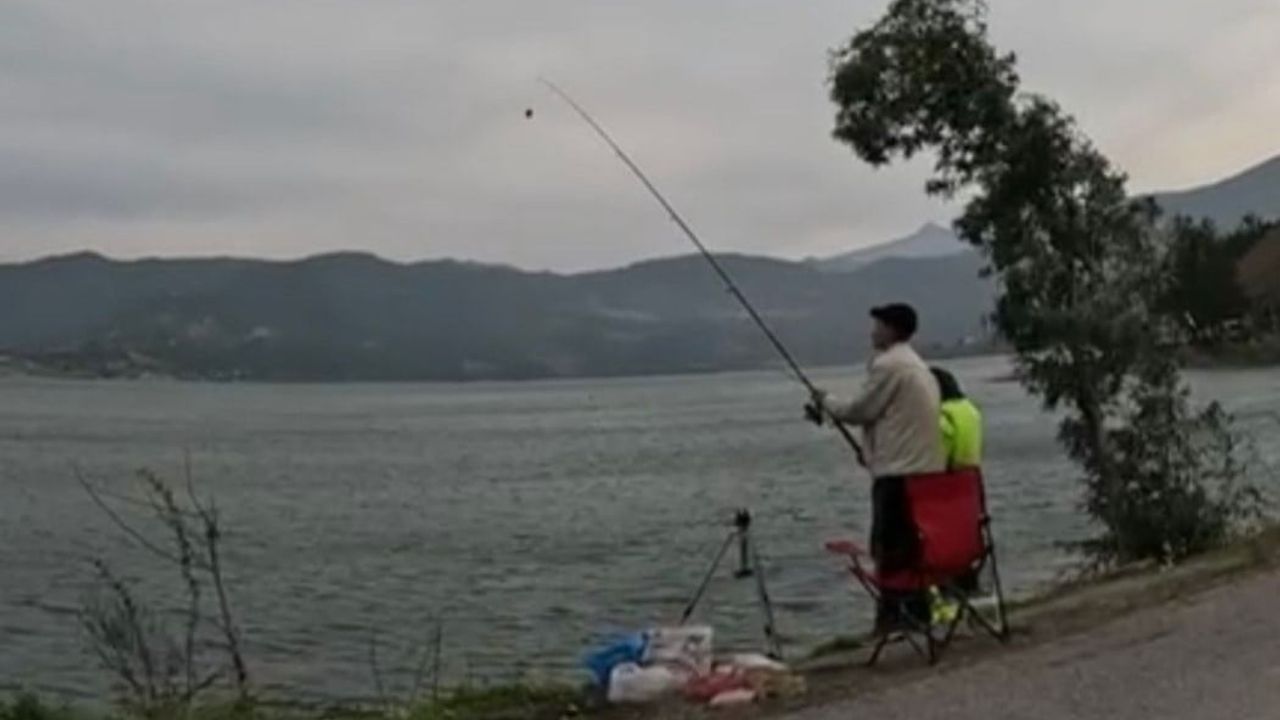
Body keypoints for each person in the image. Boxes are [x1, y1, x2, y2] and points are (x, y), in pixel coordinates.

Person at [805, 303, 943, 629]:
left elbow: (860, 410)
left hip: (897, 476)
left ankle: (894, 622)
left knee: (889, 550)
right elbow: (894, 420)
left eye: (878, 325)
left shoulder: (888, 365)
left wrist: (824, 401)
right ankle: (918, 616)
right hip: (923, 473)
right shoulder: (919, 366)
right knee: (912, 550)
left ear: (892, 330)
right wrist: (871, 452)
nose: (872, 331)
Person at [930, 367, 983, 470]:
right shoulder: (970, 408)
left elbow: (941, 449)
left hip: (947, 474)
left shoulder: (943, 413)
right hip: (970, 473)